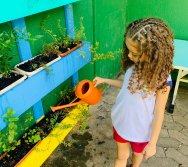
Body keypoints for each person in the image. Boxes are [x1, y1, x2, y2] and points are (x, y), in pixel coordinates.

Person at [93, 18, 174, 167]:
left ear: (152, 53)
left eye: (135, 54)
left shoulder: (161, 80)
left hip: (141, 131)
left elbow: (159, 113)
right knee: (121, 156)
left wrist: (153, 144)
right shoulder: (133, 66)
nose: (130, 56)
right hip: (121, 122)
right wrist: (105, 80)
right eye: (128, 50)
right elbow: (125, 86)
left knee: (138, 156)